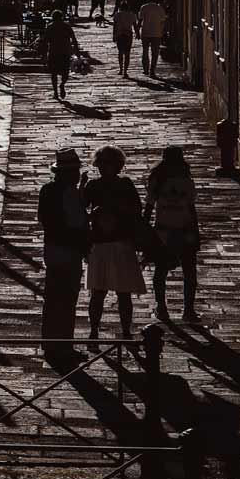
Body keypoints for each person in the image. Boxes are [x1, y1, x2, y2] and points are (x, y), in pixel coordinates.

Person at [84, 145, 145, 343]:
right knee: (98, 293)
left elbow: (136, 210)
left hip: (120, 243)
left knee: (123, 293)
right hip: (102, 244)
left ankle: (125, 331)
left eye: (107, 164)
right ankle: (94, 331)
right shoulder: (93, 186)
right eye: (101, 164)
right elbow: (81, 210)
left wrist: (116, 209)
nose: (104, 168)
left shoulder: (124, 185)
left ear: (117, 166)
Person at [38, 148, 91, 357]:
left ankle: (50, 342)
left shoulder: (46, 190)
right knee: (67, 300)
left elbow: (43, 218)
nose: (78, 175)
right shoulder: (69, 193)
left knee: (52, 298)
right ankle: (63, 346)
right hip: (69, 252)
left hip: (51, 250)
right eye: (76, 171)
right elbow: (77, 222)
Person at [146, 146, 201, 322]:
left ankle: (162, 308)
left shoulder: (158, 179)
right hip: (182, 230)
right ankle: (187, 310)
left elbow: (148, 207)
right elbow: (191, 207)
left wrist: (144, 229)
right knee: (188, 271)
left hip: (164, 230)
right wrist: (196, 230)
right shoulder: (185, 179)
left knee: (162, 271)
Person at [41, 10, 85, 99]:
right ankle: (62, 85)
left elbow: (45, 42)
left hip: (53, 52)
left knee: (53, 73)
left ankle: (56, 92)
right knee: (65, 72)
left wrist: (44, 55)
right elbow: (74, 39)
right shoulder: (66, 26)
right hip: (65, 52)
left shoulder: (50, 27)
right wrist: (77, 52)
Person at [138, 0, 168, 76]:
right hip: (156, 33)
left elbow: (140, 20)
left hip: (145, 32)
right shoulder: (159, 8)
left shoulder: (144, 7)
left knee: (145, 51)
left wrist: (137, 31)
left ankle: (145, 69)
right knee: (155, 53)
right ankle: (152, 70)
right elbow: (164, 19)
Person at [112, 0, 136, 77]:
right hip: (128, 35)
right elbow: (134, 25)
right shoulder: (132, 14)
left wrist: (114, 35)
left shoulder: (117, 14)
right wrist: (138, 33)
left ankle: (121, 69)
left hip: (119, 35)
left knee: (120, 52)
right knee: (127, 53)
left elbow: (115, 26)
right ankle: (125, 71)